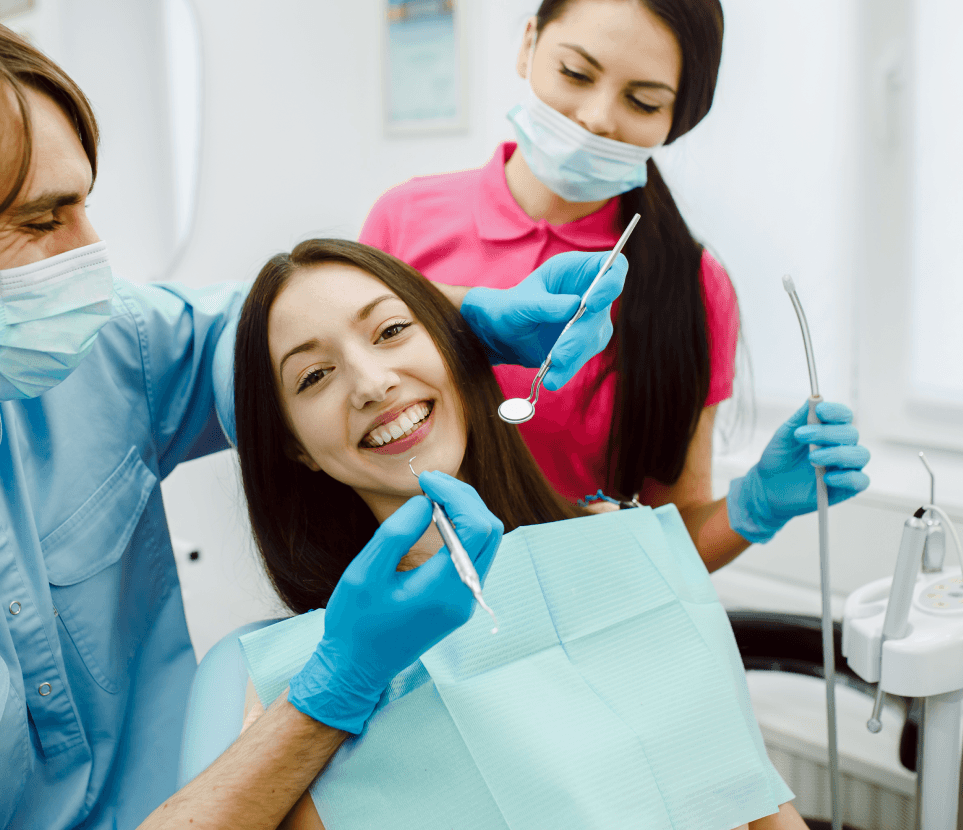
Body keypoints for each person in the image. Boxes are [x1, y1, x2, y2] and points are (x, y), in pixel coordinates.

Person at [0, 0, 629, 830]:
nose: (95, 261)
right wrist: (336, 688)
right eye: (41, 223)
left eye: (85, 203)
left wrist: (464, 311)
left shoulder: (96, 349)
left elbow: (275, 329)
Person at [231, 238, 808, 830]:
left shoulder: (618, 542)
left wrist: (752, 508)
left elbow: (752, 797)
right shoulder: (302, 686)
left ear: (454, 347)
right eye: (315, 375)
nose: (373, 384)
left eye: (390, 331)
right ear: (294, 446)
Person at [360, 0, 871, 572]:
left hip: (572, 613)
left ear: (678, 119)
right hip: (403, 612)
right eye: (575, 73)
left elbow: (670, 536)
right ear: (527, 46)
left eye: (643, 101)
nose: (598, 117)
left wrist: (753, 509)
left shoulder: (688, 284)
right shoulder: (404, 221)